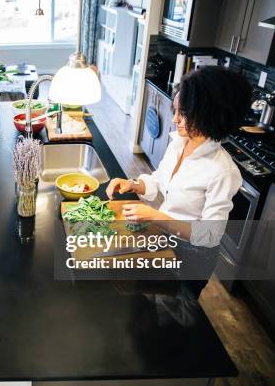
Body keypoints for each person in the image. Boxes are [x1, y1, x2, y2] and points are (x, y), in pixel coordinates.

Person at [106, 67, 250, 292]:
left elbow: (210, 235)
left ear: (208, 114)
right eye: (175, 111)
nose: (174, 120)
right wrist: (134, 184)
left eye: (183, 114)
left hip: (192, 258)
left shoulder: (222, 171)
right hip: (165, 238)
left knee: (174, 315)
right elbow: (160, 182)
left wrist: (156, 216)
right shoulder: (178, 144)